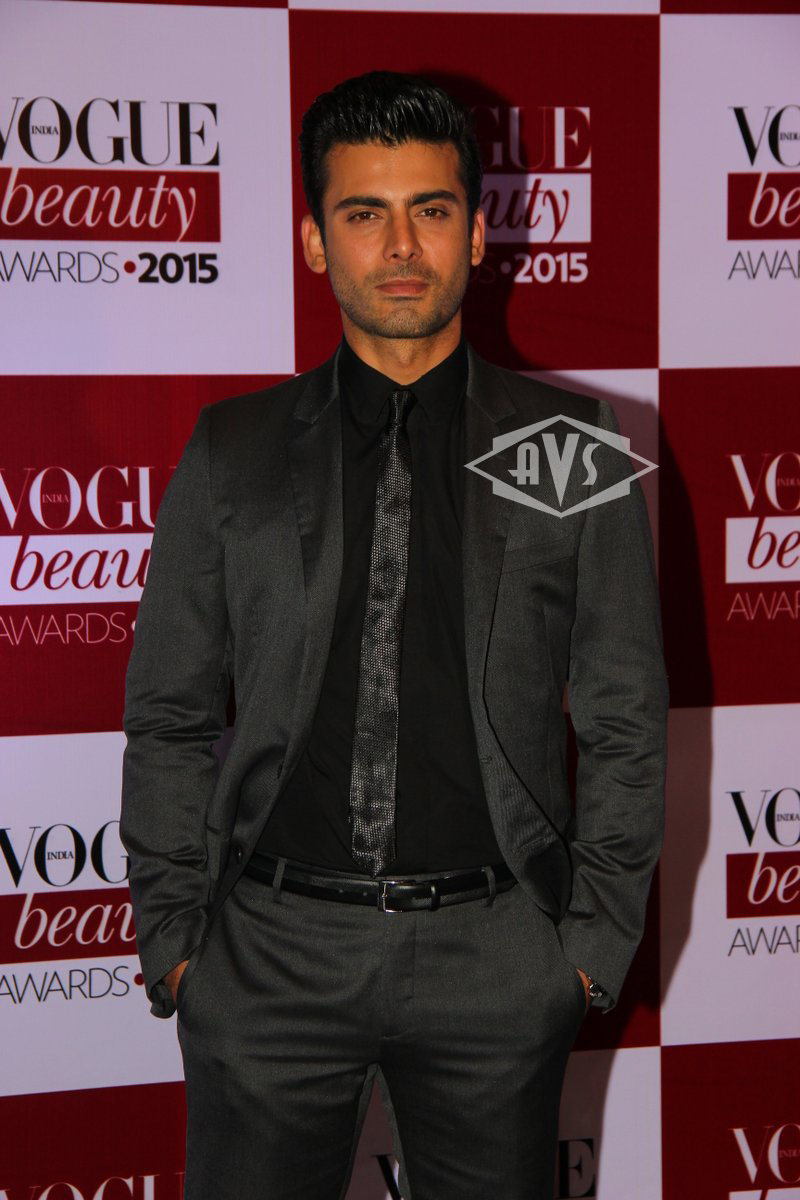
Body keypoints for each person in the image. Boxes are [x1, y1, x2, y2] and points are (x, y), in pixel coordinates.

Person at [120, 70, 668, 1200]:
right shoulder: (231, 450)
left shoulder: (572, 444)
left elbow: (625, 718)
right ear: (315, 240)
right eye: (364, 212)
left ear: (478, 231)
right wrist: (176, 942)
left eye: (430, 209)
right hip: (268, 957)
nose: (401, 245)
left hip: (496, 959)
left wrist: (584, 952)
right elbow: (169, 712)